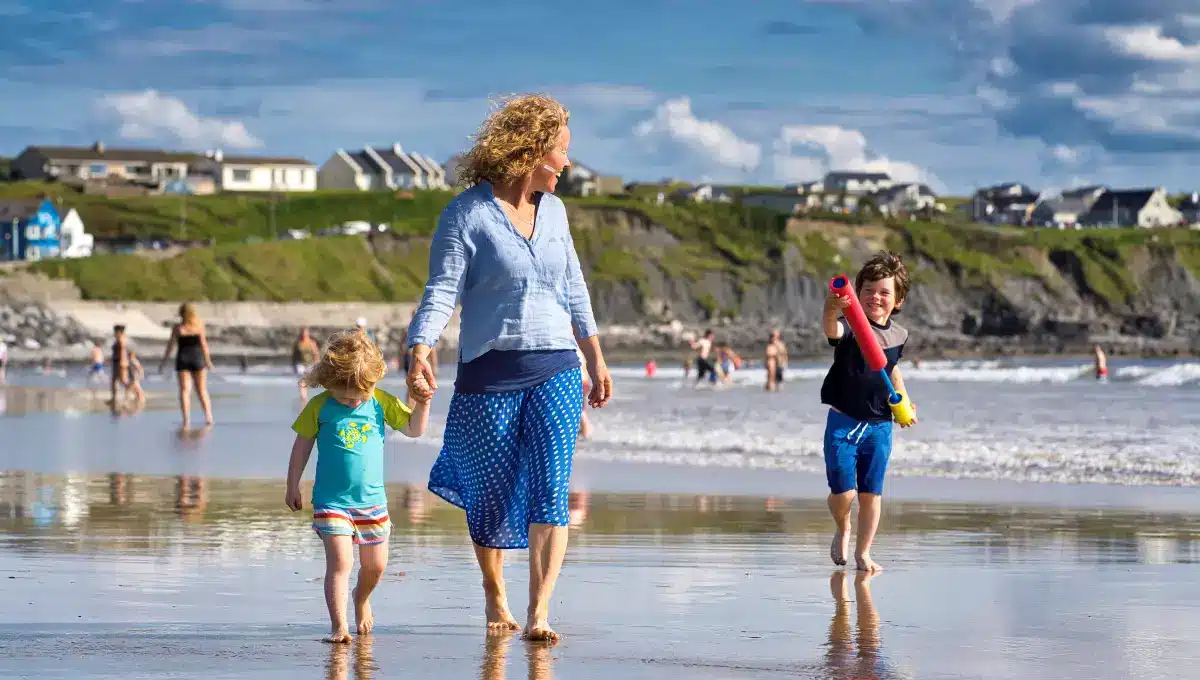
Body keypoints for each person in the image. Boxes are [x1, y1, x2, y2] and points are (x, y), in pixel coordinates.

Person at [404, 93, 613, 642]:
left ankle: (540, 610)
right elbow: (442, 290)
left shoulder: (559, 213)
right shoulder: (468, 214)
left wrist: (594, 357)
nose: (568, 163)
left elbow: (574, 288)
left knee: (551, 488)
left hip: (557, 369)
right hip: (488, 372)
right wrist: (420, 348)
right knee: (491, 494)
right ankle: (495, 593)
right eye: (562, 151)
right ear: (532, 150)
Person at [285, 329, 431, 644]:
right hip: (331, 502)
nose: (351, 400)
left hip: (373, 503)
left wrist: (423, 404)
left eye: (359, 394)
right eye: (344, 393)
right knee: (341, 562)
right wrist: (292, 485)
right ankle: (339, 627)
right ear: (328, 381)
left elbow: (415, 429)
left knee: (376, 566)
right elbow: (301, 447)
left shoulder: (380, 402)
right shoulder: (321, 406)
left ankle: (361, 598)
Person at [820, 251, 917, 574]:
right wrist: (833, 306)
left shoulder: (899, 335)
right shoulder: (849, 326)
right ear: (857, 294)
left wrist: (903, 401)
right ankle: (842, 526)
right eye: (868, 290)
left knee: (871, 493)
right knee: (843, 493)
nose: (875, 297)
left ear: (898, 301)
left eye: (884, 292)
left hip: (879, 424)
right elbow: (831, 329)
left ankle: (864, 553)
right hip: (843, 421)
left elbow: (892, 370)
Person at [160, 302, 215, 427]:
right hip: (197, 358)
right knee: (202, 390)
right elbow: (204, 345)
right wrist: (208, 361)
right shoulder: (199, 326)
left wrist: (164, 361)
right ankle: (208, 416)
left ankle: (186, 419)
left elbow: (170, 346)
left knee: (185, 391)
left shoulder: (178, 328)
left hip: (183, 359)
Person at [293, 327, 321, 401]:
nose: (304, 334)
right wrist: (293, 364)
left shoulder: (312, 343)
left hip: (309, 364)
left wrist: (317, 363)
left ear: (308, 333)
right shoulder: (298, 343)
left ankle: (304, 394)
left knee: (307, 381)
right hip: (300, 364)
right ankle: (303, 396)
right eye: (303, 333)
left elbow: (316, 353)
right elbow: (294, 354)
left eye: (305, 333)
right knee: (302, 380)